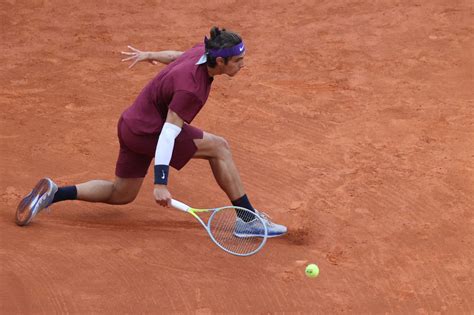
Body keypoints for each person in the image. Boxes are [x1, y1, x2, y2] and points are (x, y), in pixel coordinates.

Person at [15, 26, 287, 237]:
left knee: (121, 194)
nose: (243, 64)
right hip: (150, 133)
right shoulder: (190, 90)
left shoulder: (201, 54)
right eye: (238, 60)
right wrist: (160, 183)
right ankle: (248, 220)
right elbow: (168, 134)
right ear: (219, 61)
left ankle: (54, 193)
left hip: (131, 124)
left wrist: (150, 55)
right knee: (219, 147)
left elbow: (177, 57)